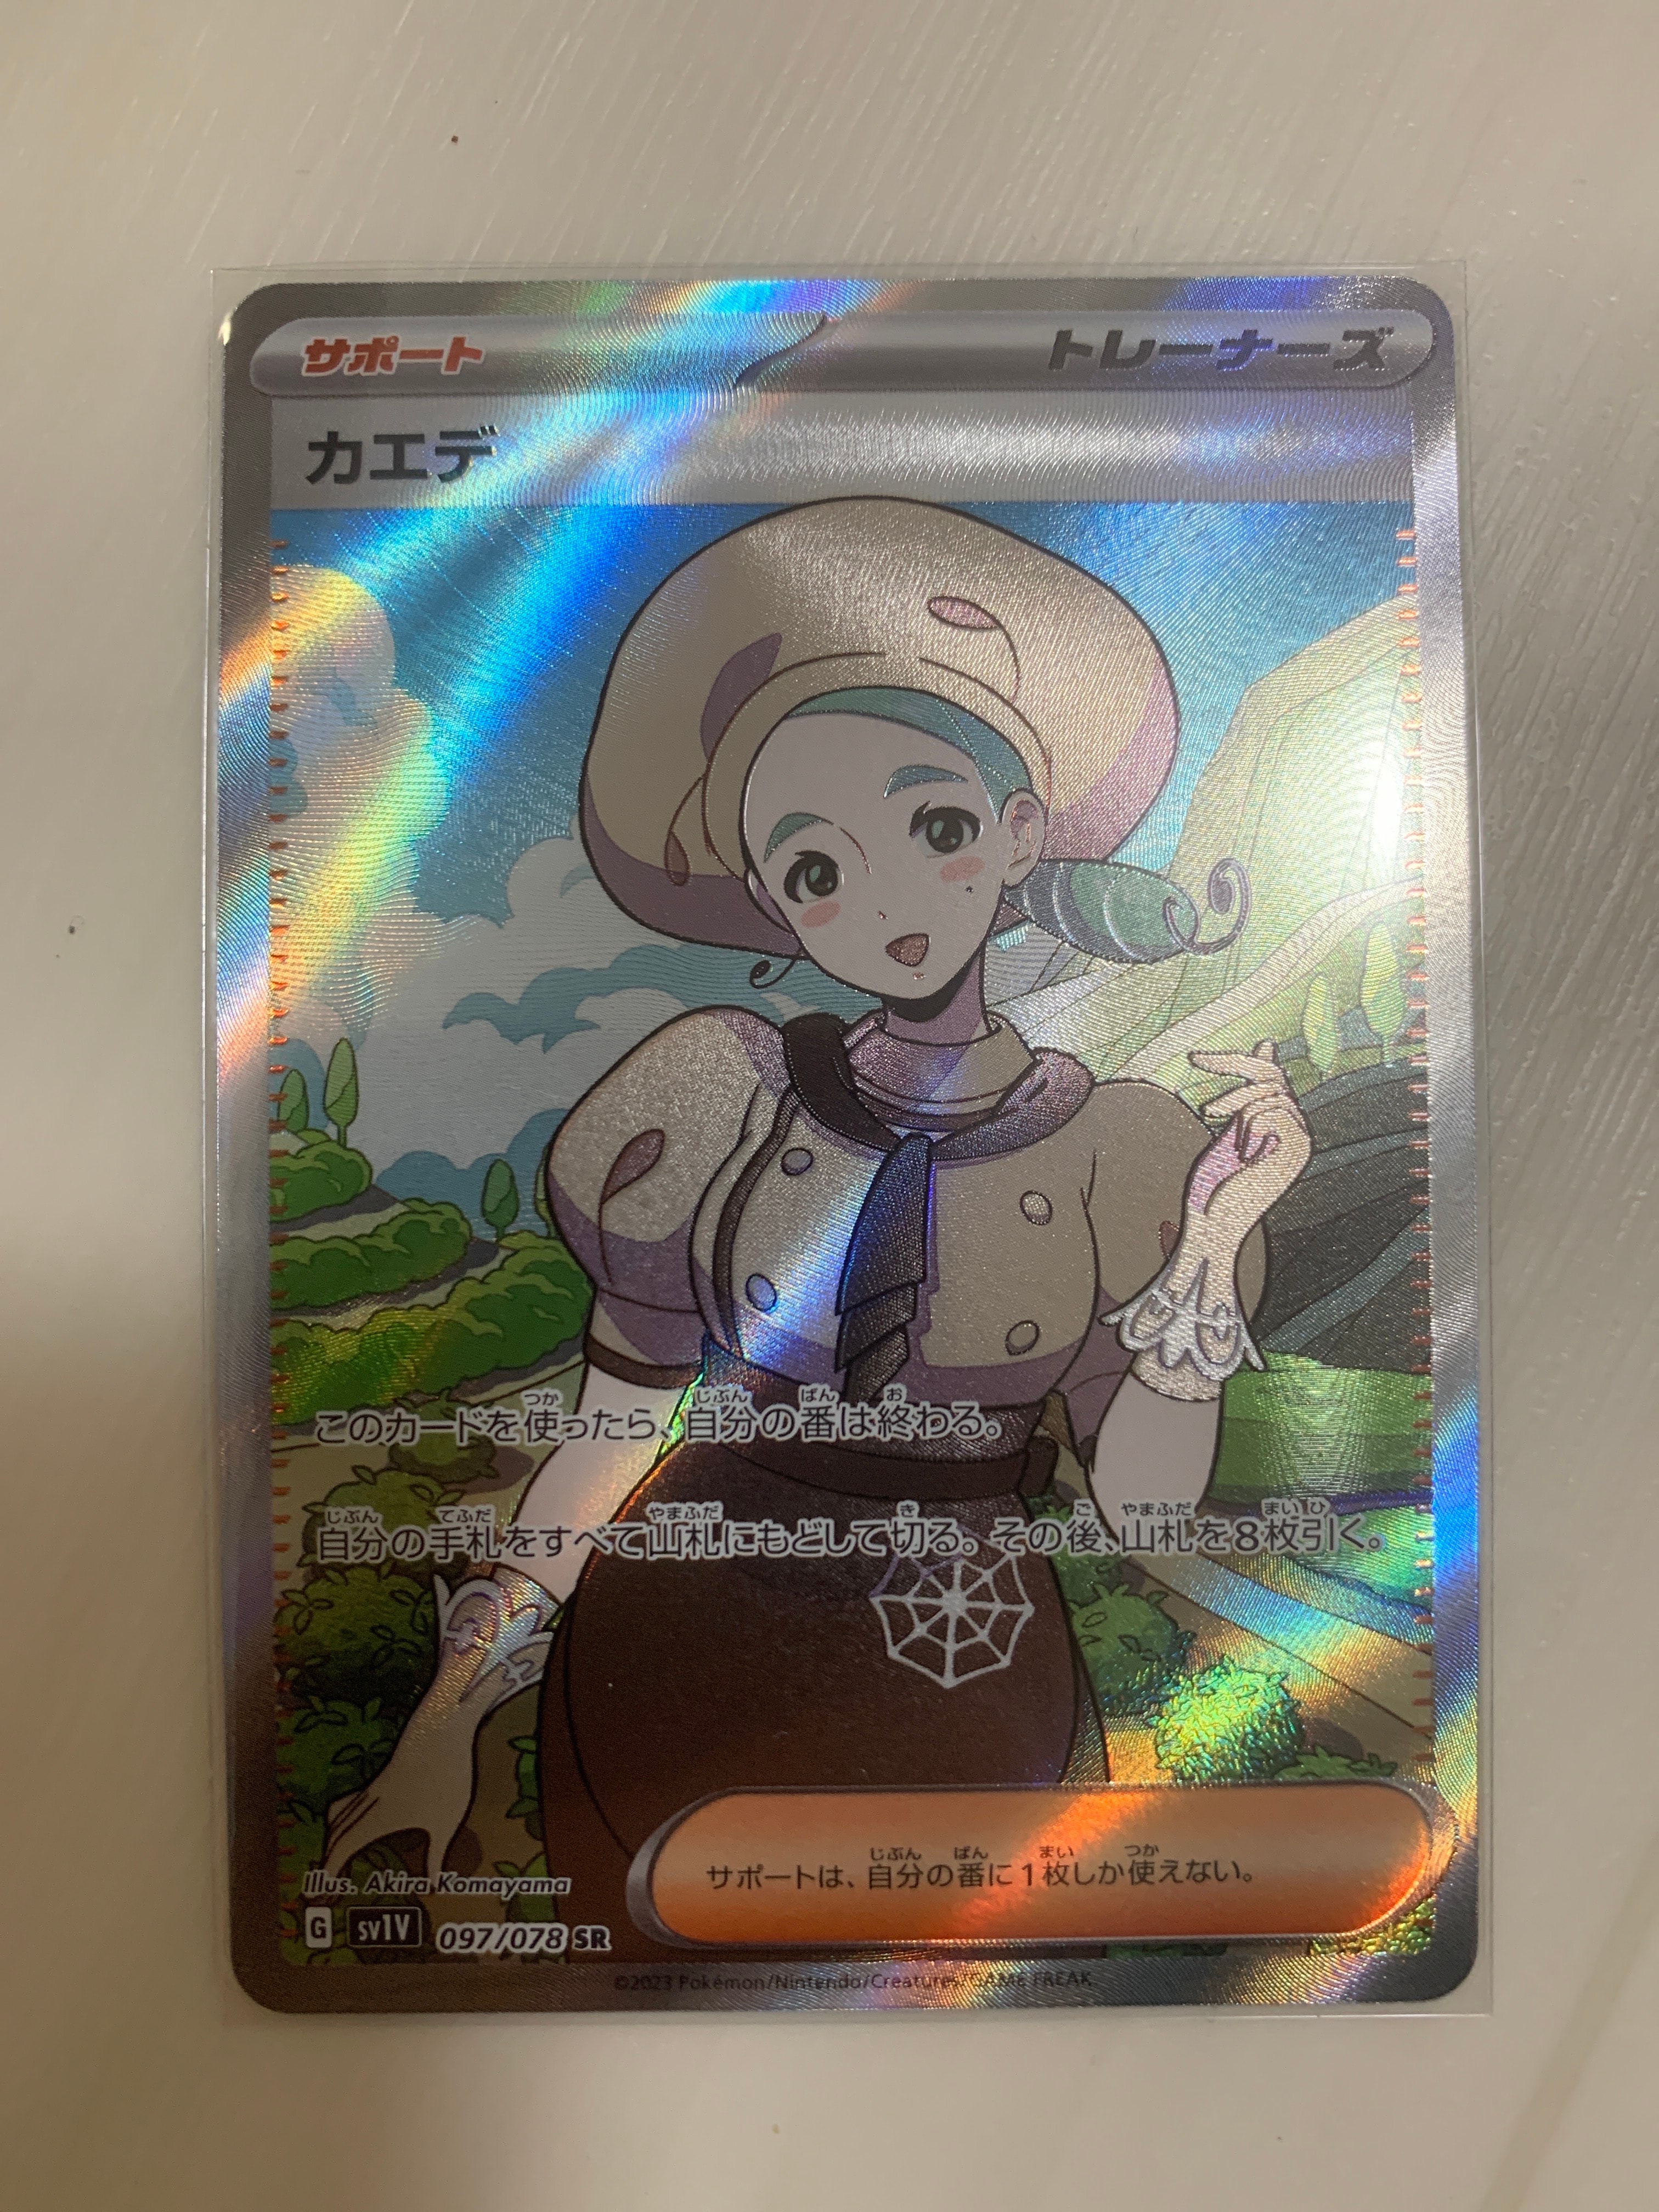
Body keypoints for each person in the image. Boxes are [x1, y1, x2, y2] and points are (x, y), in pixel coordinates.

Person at [323, 498, 1311, 1955]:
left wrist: (1213, 1244)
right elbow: (612, 1436)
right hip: (674, 1658)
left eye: (937, 826)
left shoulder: (1129, 1152)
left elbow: (1146, 1511)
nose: (886, 897)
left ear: (1022, 832)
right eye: (816, 869)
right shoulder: (711, 1098)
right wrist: (446, 1717)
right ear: (776, 911)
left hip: (969, 1667)